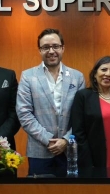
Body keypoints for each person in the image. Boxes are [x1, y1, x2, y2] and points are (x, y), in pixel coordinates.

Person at [16, 28, 86, 175]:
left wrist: (66, 140)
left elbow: (81, 115)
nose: (51, 51)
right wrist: (49, 140)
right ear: (39, 50)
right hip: (39, 151)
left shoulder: (77, 77)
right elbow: (24, 114)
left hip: (69, 151)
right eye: (46, 47)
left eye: (55, 46)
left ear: (63, 48)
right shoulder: (28, 76)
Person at [71, 56, 110, 170]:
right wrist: (88, 163)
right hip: (95, 161)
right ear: (94, 74)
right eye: (104, 69)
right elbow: (79, 133)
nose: (108, 74)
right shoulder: (83, 96)